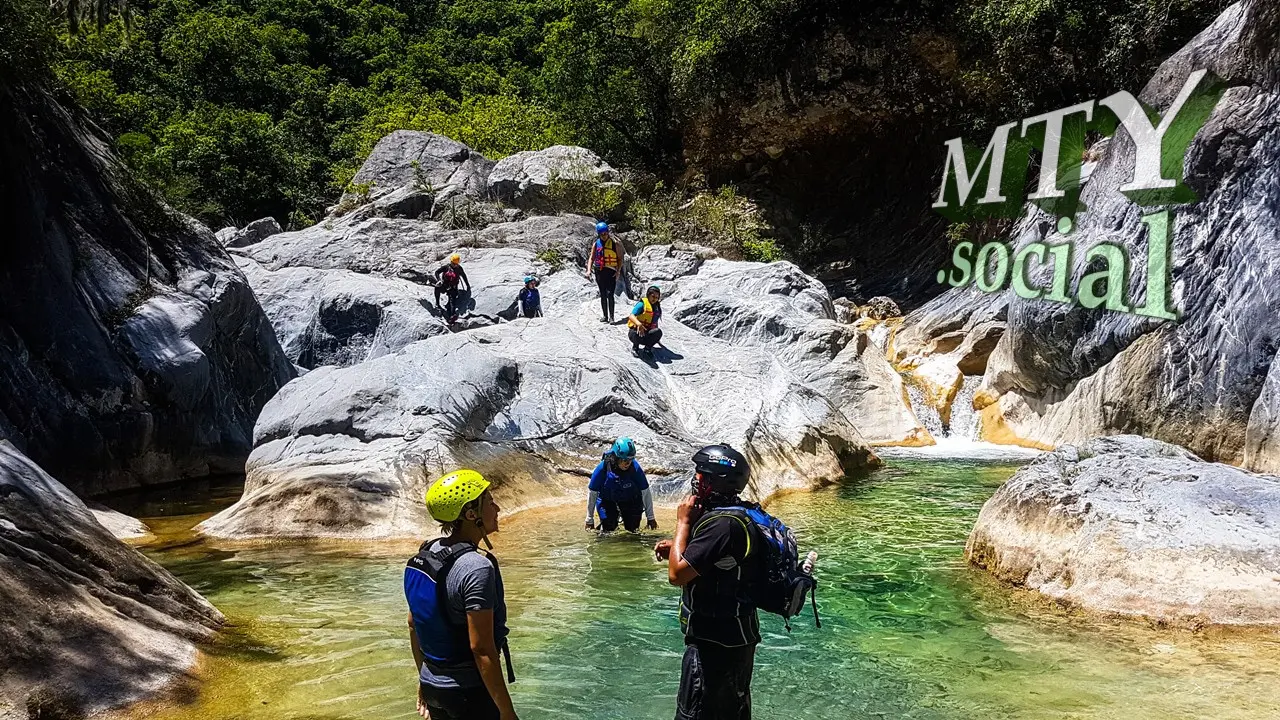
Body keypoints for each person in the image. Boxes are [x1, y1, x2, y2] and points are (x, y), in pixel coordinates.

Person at [654, 445, 760, 720]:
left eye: (701, 474)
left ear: (714, 481)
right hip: (737, 638)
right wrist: (682, 546)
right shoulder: (736, 513)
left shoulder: (721, 525)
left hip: (714, 645)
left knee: (695, 713)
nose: (696, 479)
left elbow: (677, 575)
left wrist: (683, 525)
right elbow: (719, 561)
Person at [405, 469, 518, 720]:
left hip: (432, 685)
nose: (497, 508)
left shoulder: (423, 555)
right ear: (471, 514)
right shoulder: (476, 567)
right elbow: (481, 649)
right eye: (489, 502)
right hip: (468, 693)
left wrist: (424, 680)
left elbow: (414, 624)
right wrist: (507, 712)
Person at [585, 437, 658, 533]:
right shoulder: (602, 468)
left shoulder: (635, 468)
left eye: (630, 460)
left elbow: (645, 492)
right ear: (616, 457)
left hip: (631, 501)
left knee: (633, 530)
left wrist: (651, 517)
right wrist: (589, 519)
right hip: (607, 501)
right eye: (624, 460)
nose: (628, 463)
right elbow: (592, 493)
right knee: (608, 530)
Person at [585, 221, 625, 323]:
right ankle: (605, 316)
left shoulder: (614, 244)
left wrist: (618, 271)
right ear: (599, 234)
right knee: (603, 294)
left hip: (611, 271)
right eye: (602, 234)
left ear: (608, 232)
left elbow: (620, 259)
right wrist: (589, 270)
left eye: (605, 233)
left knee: (610, 294)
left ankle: (612, 317)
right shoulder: (596, 244)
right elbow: (591, 258)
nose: (604, 236)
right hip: (600, 271)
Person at [627, 285, 663, 357]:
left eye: (656, 297)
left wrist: (656, 338)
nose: (654, 299)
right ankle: (635, 347)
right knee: (635, 332)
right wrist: (639, 324)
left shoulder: (656, 307)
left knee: (658, 332)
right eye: (653, 296)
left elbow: (655, 322)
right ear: (648, 295)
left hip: (647, 333)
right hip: (636, 332)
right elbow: (631, 316)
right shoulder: (642, 304)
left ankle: (647, 348)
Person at [435, 254, 472, 321]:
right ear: (451, 262)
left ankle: (452, 315)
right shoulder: (446, 267)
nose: (455, 265)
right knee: (437, 288)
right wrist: (439, 280)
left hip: (453, 288)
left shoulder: (459, 269)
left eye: (456, 264)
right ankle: (437, 304)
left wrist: (467, 285)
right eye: (454, 264)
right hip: (445, 285)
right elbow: (437, 272)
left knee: (452, 302)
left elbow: (464, 276)